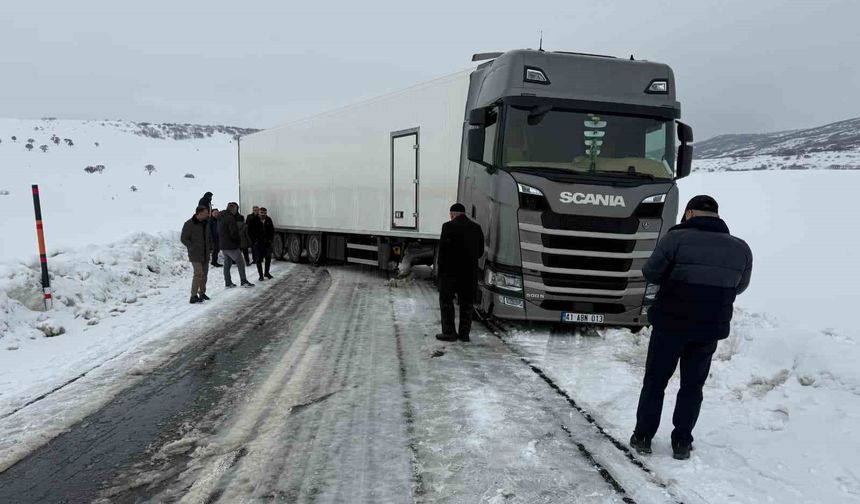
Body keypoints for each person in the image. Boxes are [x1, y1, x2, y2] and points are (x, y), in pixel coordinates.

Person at [630, 195, 753, 460]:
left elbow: (651, 273)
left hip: (670, 324)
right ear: (717, 216)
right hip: (708, 329)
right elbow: (740, 286)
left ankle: (643, 437)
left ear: (689, 214)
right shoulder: (741, 248)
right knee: (692, 386)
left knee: (655, 382)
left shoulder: (675, 239)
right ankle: (682, 442)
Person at [435, 203, 484, 343]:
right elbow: (480, 252)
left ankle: (449, 333)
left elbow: (443, 251)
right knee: (467, 303)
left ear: (452, 214)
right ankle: (464, 334)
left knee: (446, 301)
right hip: (469, 273)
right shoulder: (476, 227)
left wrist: (440, 270)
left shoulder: (447, 226)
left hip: (449, 273)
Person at [180, 206, 213, 304]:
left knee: (204, 274)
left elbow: (209, 237)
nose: (208, 214)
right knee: (198, 274)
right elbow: (183, 238)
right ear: (199, 213)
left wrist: (211, 246)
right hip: (195, 254)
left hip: (205, 253)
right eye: (206, 213)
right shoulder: (189, 224)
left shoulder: (206, 223)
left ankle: (202, 293)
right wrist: (192, 247)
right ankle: (193, 296)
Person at [218, 202, 254, 288]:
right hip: (231, 246)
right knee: (241, 263)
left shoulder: (220, 217)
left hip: (223, 245)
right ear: (233, 209)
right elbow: (233, 232)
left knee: (227, 265)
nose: (236, 211)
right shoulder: (230, 218)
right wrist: (238, 242)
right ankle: (243, 281)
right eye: (236, 209)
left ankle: (228, 282)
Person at [249, 207, 275, 281]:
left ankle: (266, 273)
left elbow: (272, 230)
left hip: (267, 243)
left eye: (265, 213)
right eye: (261, 213)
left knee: (268, 258)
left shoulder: (268, 219)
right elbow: (250, 231)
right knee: (258, 259)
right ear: (259, 213)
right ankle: (260, 275)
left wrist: (270, 239)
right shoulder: (253, 220)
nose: (263, 214)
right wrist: (254, 241)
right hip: (258, 243)